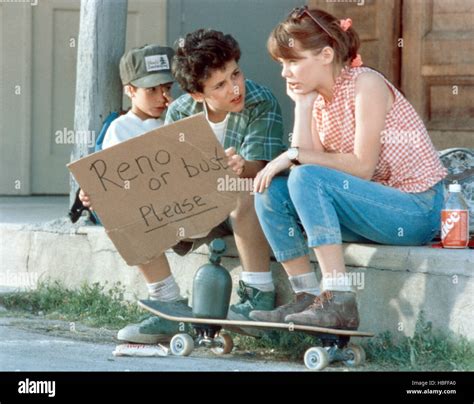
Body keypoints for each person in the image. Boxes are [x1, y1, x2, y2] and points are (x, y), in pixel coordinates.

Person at [249, 6, 447, 330]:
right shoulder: (318, 100)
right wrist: (302, 105)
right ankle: (307, 295)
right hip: (370, 208)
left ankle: (338, 297)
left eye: (293, 61)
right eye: (282, 64)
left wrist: (292, 155)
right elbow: (304, 162)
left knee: (303, 174)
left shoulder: (365, 83)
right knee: (271, 191)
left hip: (414, 209)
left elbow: (361, 167)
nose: (285, 72)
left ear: (326, 55)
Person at [81, 30, 286, 343]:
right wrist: (105, 193)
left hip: (247, 209)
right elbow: (169, 178)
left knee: (244, 189)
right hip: (198, 207)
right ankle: (168, 303)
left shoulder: (260, 102)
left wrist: (240, 165)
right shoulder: (180, 111)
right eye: (220, 85)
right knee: (115, 204)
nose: (235, 88)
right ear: (197, 95)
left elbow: (260, 169)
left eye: (236, 74)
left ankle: (258, 295)